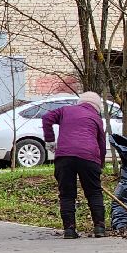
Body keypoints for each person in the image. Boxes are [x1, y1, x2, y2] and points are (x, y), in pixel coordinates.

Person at [41, 91, 109, 240]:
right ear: (97, 106)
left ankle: (69, 230)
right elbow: (102, 144)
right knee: (94, 192)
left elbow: (46, 118)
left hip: (64, 157)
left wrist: (50, 141)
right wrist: (100, 165)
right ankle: (99, 228)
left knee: (67, 194)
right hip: (89, 158)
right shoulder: (96, 118)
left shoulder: (65, 110)